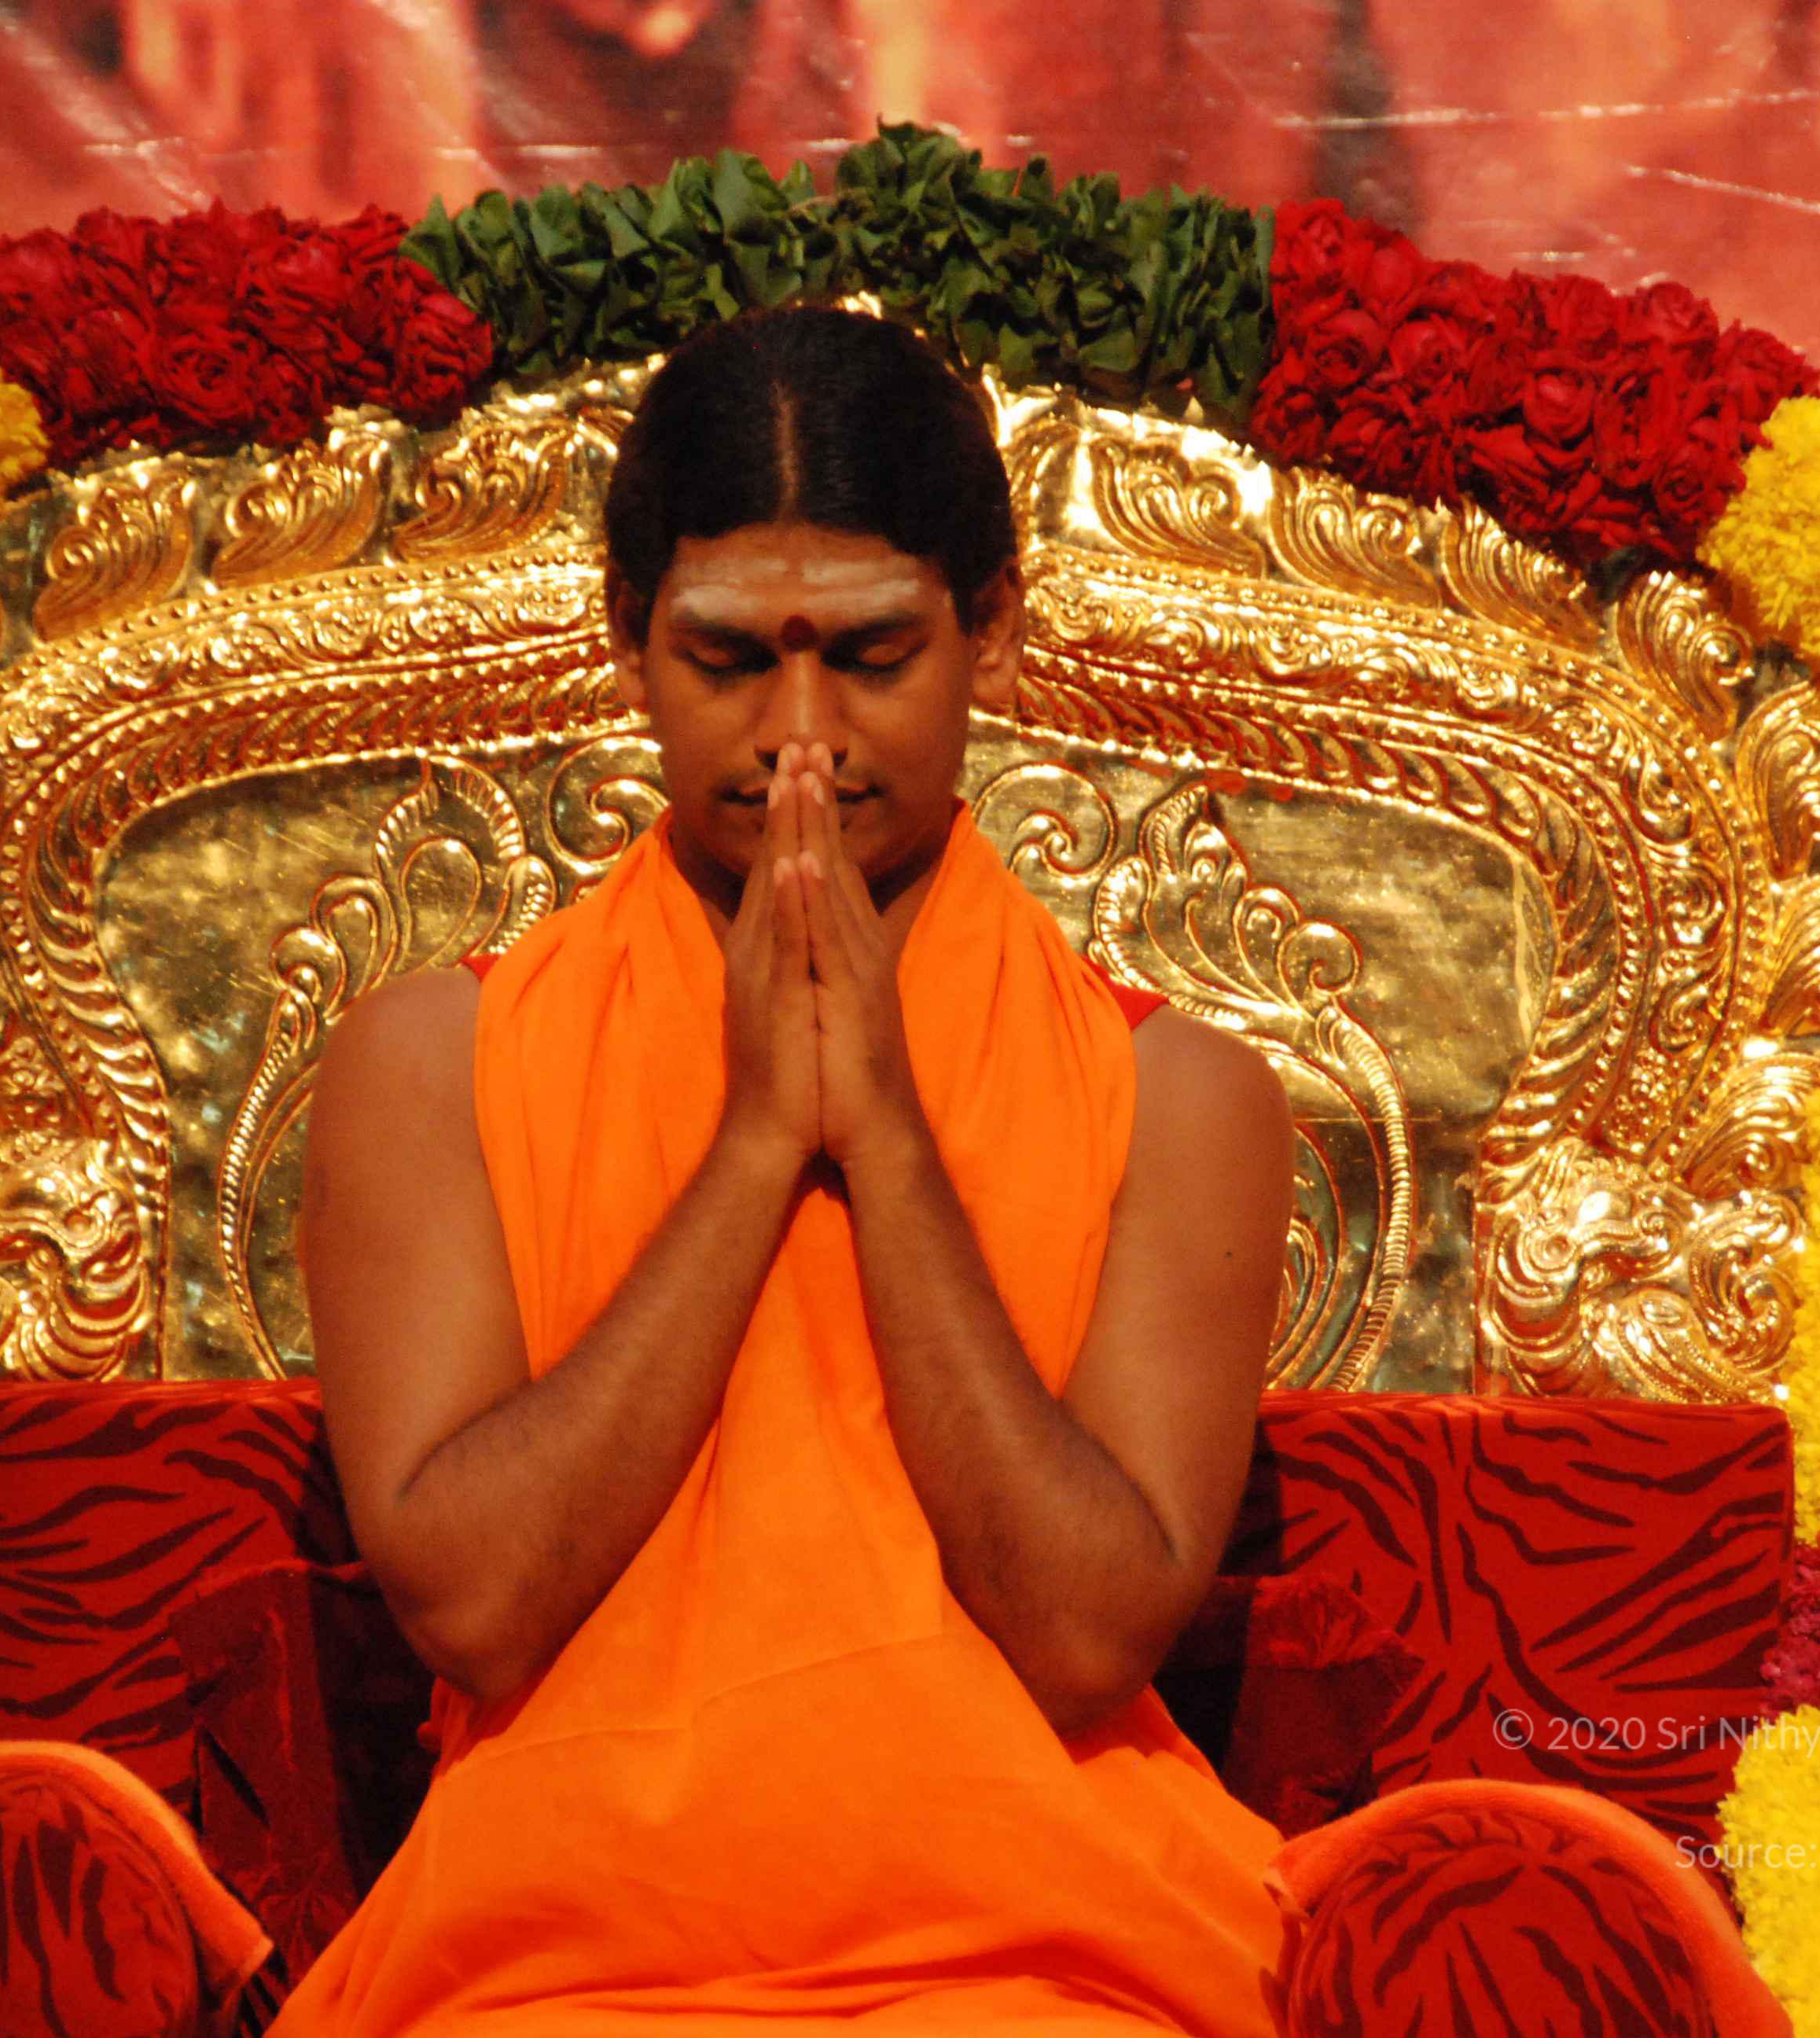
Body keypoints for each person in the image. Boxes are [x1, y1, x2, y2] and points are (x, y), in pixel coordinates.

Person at [278, 303, 1301, 2034]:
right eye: (731, 659)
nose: (802, 735)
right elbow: (475, 1609)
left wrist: (885, 1139)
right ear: (627, 638)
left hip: (1049, 1959)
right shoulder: (434, 1059)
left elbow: (1082, 1640)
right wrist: (757, 1142)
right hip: (549, 1960)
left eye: (875, 656)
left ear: (992, 629)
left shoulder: (1181, 1095)